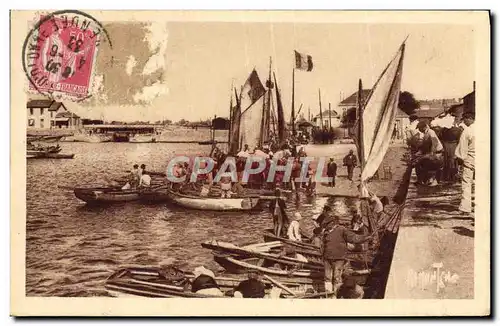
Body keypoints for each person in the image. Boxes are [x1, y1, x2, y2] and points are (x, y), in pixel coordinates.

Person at [321, 216, 373, 296]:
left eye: (326, 225)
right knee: (327, 277)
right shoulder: (326, 232)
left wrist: (365, 238)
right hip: (327, 258)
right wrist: (322, 255)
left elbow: (353, 238)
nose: (325, 227)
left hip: (339, 258)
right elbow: (323, 245)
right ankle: (328, 294)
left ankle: (335, 294)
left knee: (336, 277)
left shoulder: (342, 230)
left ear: (332, 223)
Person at [455, 111, 475, 214]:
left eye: (465, 119)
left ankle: (465, 207)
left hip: (470, 160)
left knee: (467, 183)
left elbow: (462, 148)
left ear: (469, 119)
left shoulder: (467, 131)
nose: (464, 121)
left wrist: (460, 158)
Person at [415, 121, 444, 186]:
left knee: (431, 164)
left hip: (437, 152)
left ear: (424, 127)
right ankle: (423, 180)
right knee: (419, 162)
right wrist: (420, 152)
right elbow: (425, 145)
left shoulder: (431, 132)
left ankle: (435, 180)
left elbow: (435, 143)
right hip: (432, 152)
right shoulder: (426, 133)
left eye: (420, 128)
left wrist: (431, 154)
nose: (419, 130)